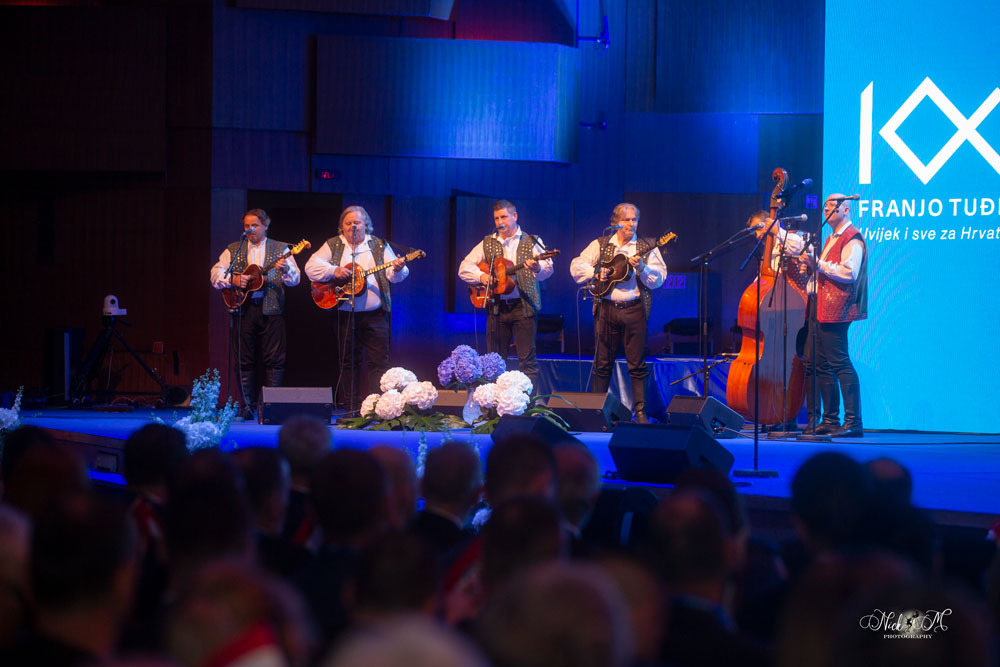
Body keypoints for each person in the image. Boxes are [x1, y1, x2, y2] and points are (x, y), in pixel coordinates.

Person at [777, 194, 867, 436]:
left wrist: (817, 264)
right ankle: (829, 420)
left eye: (832, 205)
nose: (826, 208)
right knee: (816, 363)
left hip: (836, 307)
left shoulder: (852, 237)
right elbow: (824, 269)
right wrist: (811, 267)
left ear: (846, 209)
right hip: (818, 305)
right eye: (825, 205)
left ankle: (853, 422)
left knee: (840, 362)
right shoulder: (830, 238)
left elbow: (849, 273)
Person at [305, 206, 409, 413]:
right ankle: (351, 409)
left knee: (378, 363)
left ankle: (378, 409)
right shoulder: (334, 244)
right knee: (348, 362)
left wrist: (399, 268)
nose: (353, 226)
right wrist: (334, 270)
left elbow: (395, 275)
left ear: (365, 225)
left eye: (357, 222)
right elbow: (310, 267)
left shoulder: (378, 245)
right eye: (348, 223)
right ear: (342, 227)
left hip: (375, 315)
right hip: (345, 314)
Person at [570, 203, 667, 423]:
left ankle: (640, 413)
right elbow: (576, 265)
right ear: (615, 223)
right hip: (606, 309)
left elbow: (659, 279)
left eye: (634, 219)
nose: (631, 224)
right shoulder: (602, 244)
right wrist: (596, 272)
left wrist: (642, 267)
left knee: (637, 365)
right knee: (602, 364)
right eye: (626, 220)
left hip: (634, 309)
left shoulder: (646, 246)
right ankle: (597, 412)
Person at [210, 208, 300, 418]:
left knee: (274, 360)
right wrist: (232, 279)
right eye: (247, 226)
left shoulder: (280, 248)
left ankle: (272, 406)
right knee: (244, 359)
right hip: (244, 309)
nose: (250, 230)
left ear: (266, 225)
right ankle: (246, 406)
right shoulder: (234, 248)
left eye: (255, 225)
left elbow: (295, 280)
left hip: (271, 310)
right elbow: (215, 273)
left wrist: (286, 270)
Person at [458, 200, 553, 390]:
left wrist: (537, 267)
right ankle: (494, 403)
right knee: (494, 362)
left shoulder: (532, 240)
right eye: (496, 218)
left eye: (504, 217)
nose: (500, 222)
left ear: (515, 216)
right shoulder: (487, 242)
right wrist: (483, 276)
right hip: (497, 308)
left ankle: (528, 403)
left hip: (523, 307)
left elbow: (547, 269)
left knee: (527, 361)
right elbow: (464, 268)